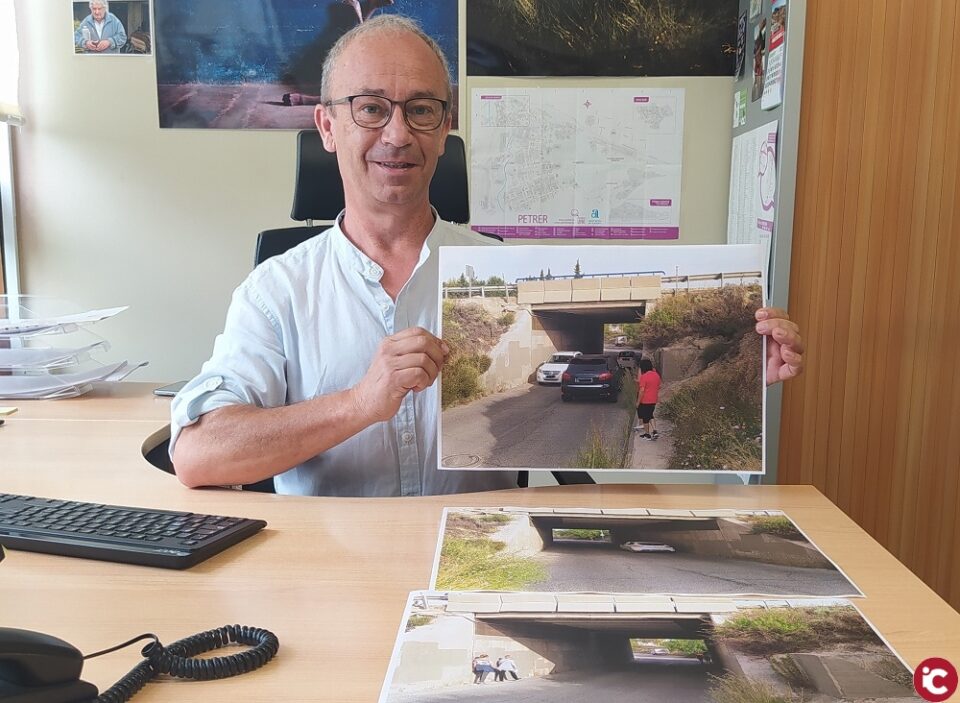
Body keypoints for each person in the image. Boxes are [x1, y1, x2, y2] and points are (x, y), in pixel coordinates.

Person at [170, 16, 805, 497]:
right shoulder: (276, 290)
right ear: (328, 127)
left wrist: (739, 361)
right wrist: (360, 402)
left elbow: (623, 421)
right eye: (370, 109)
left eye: (421, 110)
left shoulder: (502, 274)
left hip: (477, 567)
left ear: (445, 130)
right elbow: (198, 455)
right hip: (334, 580)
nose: (397, 133)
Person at [636, 358, 662, 440]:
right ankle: (654, 430)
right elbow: (659, 386)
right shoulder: (656, 375)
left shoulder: (644, 377)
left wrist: (638, 402)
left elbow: (641, 391)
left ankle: (647, 434)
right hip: (654, 399)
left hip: (645, 400)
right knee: (650, 415)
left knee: (645, 418)